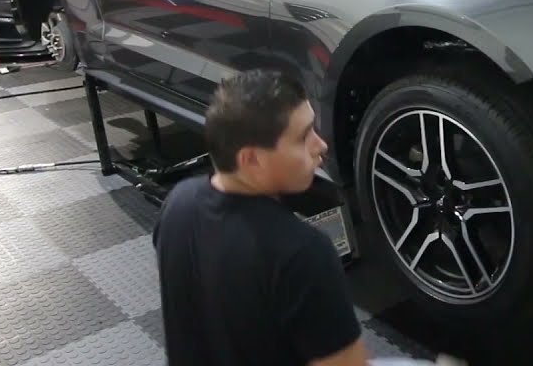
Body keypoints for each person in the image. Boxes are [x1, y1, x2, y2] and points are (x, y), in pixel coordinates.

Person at [152, 69, 370, 366]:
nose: (321, 145)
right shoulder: (303, 251)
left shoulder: (178, 202)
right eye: (304, 137)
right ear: (252, 159)